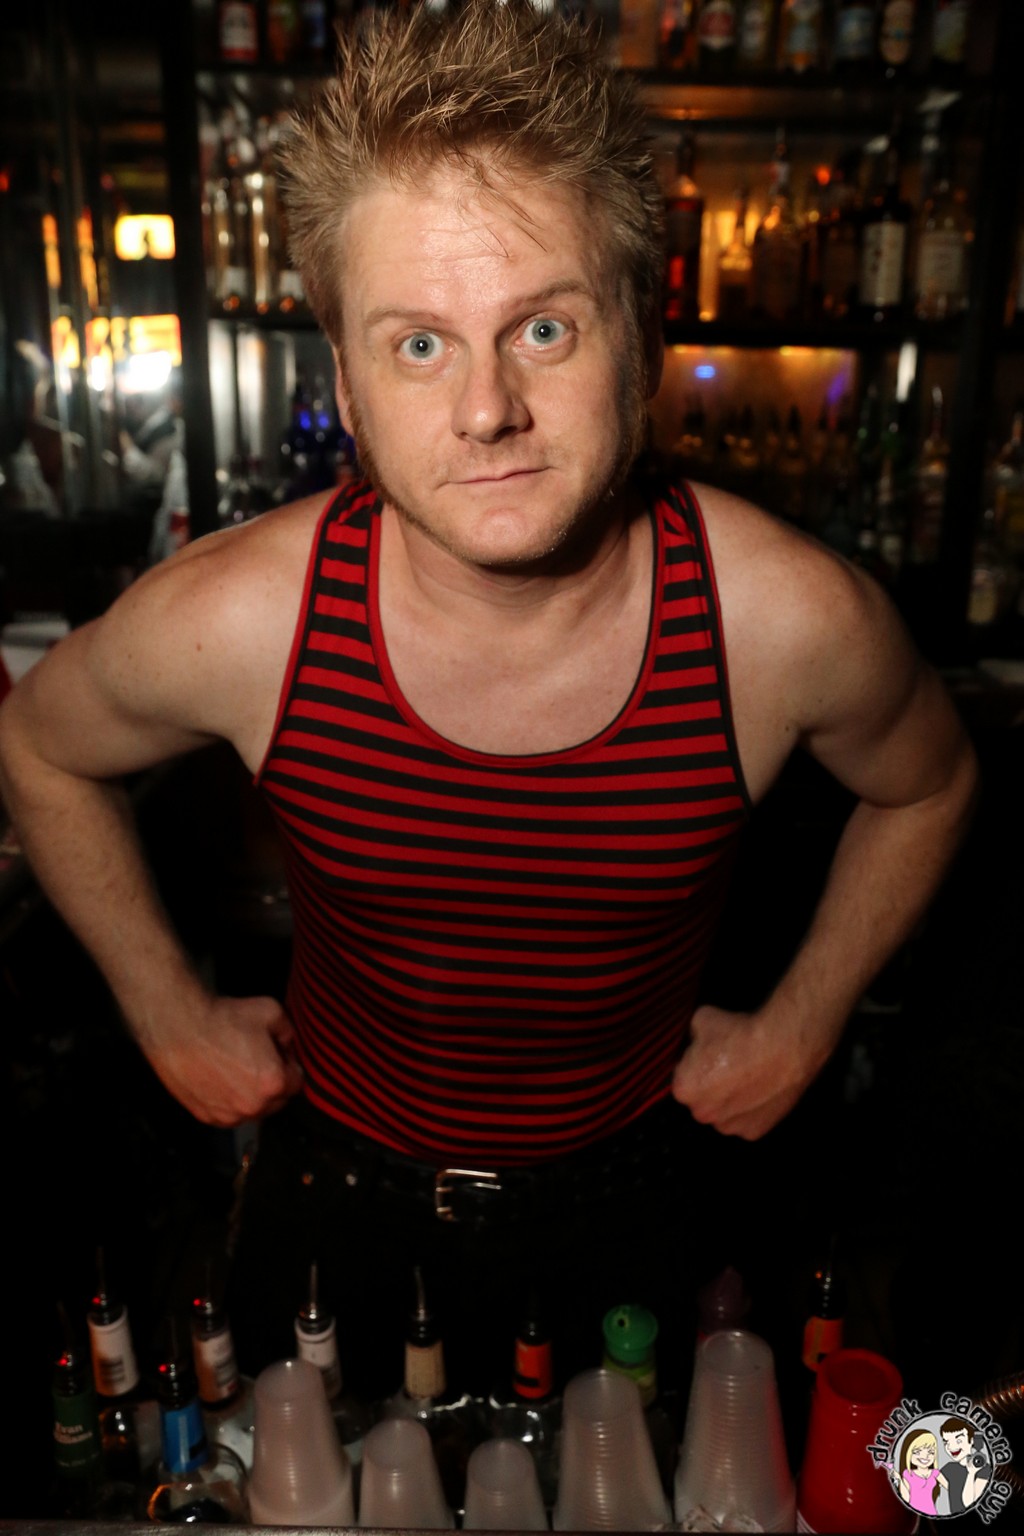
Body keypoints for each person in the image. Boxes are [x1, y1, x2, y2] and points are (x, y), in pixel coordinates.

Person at [0, 0, 976, 1402]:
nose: (485, 409)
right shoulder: (249, 618)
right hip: (336, 1190)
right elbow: (38, 743)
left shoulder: (778, 621)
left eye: (544, 328)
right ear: (346, 383)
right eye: (418, 345)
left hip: (646, 1191)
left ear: (641, 339)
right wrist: (163, 1010)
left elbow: (932, 780)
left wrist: (807, 1019)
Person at [940, 1417, 991, 1514]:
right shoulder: (949, 1467)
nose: (951, 1447)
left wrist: (971, 1473)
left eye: (958, 1440)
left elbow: (968, 1503)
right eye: (946, 1442)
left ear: (971, 1441)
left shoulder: (984, 1469)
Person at [897, 1429, 947, 1516]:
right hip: (912, 1513)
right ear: (908, 1453)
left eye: (931, 1452)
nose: (925, 1456)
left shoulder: (935, 1473)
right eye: (917, 1452)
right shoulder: (908, 1474)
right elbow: (906, 1498)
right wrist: (899, 1479)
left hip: (931, 1512)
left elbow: (951, 1488)